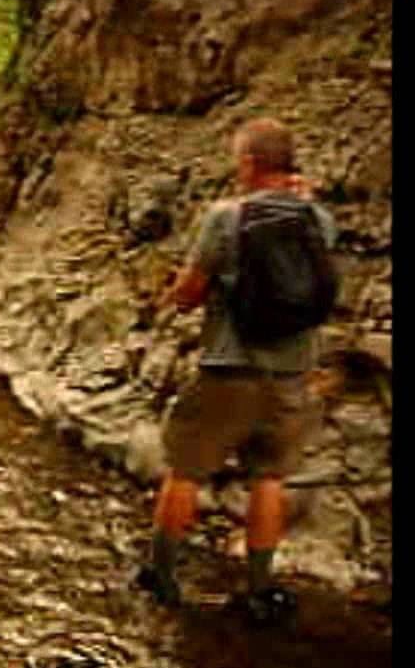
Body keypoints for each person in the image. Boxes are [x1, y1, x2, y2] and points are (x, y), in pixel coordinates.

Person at [136, 118, 339, 624]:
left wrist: (171, 295)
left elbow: (187, 296)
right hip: (292, 375)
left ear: (249, 163)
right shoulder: (320, 219)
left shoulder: (225, 219)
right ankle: (259, 589)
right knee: (269, 478)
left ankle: (160, 578)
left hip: (229, 371)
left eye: (238, 159)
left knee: (184, 471)